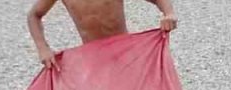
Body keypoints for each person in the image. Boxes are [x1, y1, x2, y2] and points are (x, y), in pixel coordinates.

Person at [27, 0, 177, 71]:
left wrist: (169, 13)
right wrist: (43, 48)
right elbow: (34, 15)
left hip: (125, 56)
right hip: (92, 59)